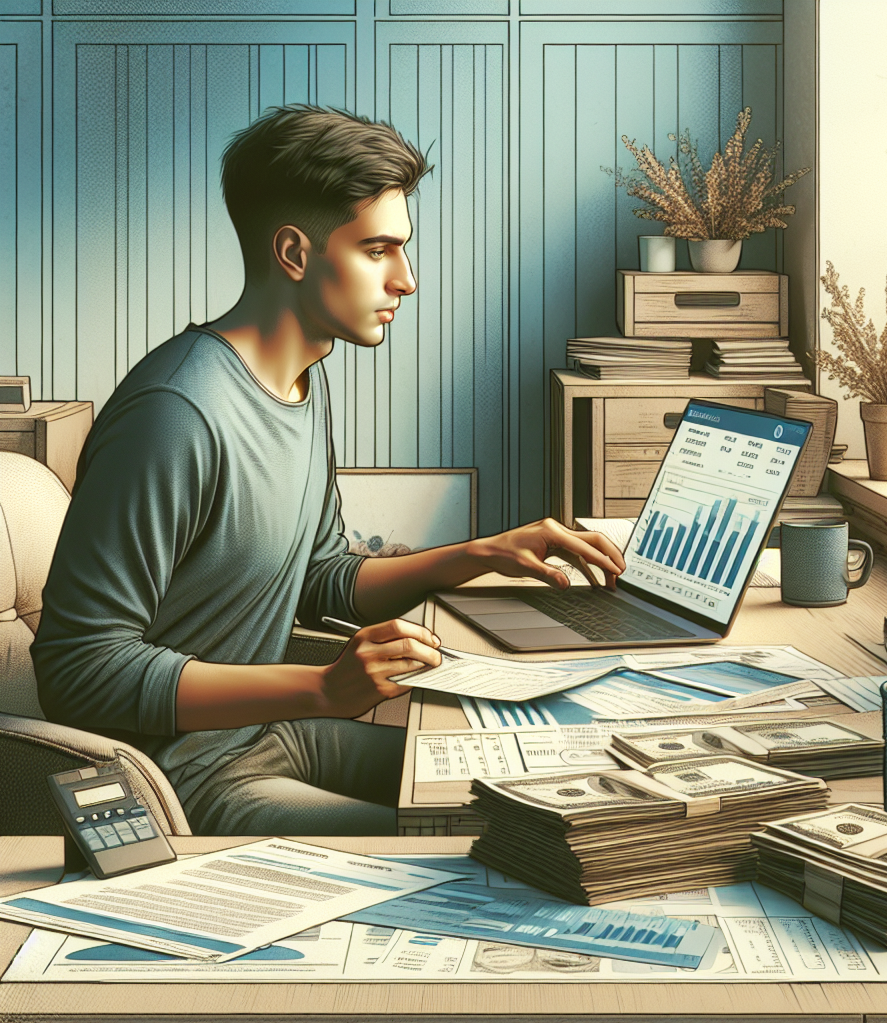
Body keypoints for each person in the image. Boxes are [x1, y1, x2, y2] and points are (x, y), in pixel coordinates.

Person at [31, 105, 624, 836]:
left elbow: (320, 577)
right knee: (479, 844)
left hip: (273, 734)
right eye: (379, 250)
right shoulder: (177, 412)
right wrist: (322, 687)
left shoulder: (302, 382)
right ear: (293, 253)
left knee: (552, 788)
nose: (406, 280)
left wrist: (481, 554)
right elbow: (77, 670)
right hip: (183, 781)